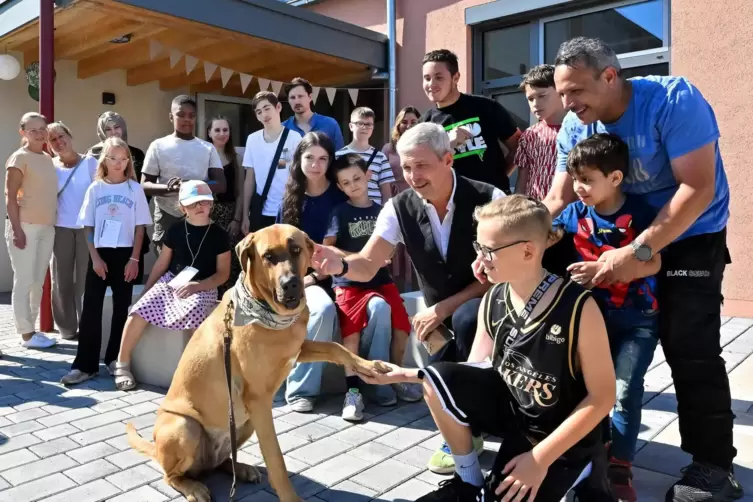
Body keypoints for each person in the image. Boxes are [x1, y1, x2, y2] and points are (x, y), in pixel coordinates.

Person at [544, 37, 741, 502]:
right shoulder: (575, 124)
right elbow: (558, 199)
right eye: (562, 93)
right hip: (617, 240)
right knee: (562, 325)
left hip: (691, 236)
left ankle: (714, 468)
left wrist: (640, 252)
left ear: (610, 76)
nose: (566, 105)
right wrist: (510, 243)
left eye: (575, 92)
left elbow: (697, 186)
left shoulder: (674, 100)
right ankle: (580, 445)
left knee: (689, 345)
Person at [357, 195, 617, 502]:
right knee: (438, 380)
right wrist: (404, 375)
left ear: (528, 251)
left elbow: (602, 399)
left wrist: (539, 459)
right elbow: (474, 370)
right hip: (521, 420)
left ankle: (588, 470)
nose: (478, 261)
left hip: (565, 434)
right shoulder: (494, 299)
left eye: (489, 250)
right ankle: (467, 481)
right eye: (478, 247)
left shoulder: (579, 307)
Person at [312, 122, 504, 473]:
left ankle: (471, 432)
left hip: (491, 307)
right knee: (437, 381)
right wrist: (337, 261)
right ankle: (467, 429)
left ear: (448, 159)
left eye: (422, 166)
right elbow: (368, 264)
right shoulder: (397, 208)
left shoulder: (490, 199)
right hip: (439, 319)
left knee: (466, 321)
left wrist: (443, 307)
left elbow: (502, 274)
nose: (413, 176)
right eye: (406, 167)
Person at [549, 134, 660, 501]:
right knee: (589, 391)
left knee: (626, 392)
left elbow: (655, 260)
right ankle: (589, 455)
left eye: (587, 180)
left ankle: (620, 466)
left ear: (615, 178)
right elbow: (542, 234)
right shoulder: (574, 213)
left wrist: (602, 266)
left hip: (637, 320)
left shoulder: (643, 213)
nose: (578, 188)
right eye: (574, 179)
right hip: (589, 320)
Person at [324, 154, 418, 420]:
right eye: (346, 182)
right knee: (350, 334)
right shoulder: (338, 212)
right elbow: (328, 245)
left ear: (368, 176)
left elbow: (394, 242)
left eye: (357, 178)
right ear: (340, 187)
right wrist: (355, 260)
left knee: (402, 326)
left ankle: (395, 377)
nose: (353, 185)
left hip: (380, 279)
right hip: (348, 282)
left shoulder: (382, 211)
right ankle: (352, 392)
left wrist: (383, 257)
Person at [112, 180, 231, 391]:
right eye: (194, 203)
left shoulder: (219, 235)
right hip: (172, 280)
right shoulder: (175, 230)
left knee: (195, 316)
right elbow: (161, 264)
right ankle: (122, 365)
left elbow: (223, 274)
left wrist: (199, 286)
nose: (200, 207)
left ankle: (198, 373)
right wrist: (146, 291)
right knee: (137, 312)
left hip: (203, 284)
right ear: (183, 207)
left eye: (205, 202)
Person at [60, 137, 151, 386]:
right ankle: (85, 365)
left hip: (126, 255)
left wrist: (134, 259)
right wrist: (95, 258)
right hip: (99, 254)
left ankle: (116, 361)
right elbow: (87, 226)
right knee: (91, 308)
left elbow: (140, 229)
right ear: (105, 160)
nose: (118, 163)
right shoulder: (95, 188)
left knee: (122, 308)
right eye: (113, 158)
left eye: (123, 159)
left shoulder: (135, 189)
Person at [276, 132, 346, 412]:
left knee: (323, 309)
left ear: (330, 162)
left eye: (322, 159)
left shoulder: (341, 198)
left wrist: (313, 278)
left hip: (333, 277)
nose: (316, 165)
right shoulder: (290, 200)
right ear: (299, 160)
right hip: (296, 280)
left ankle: (301, 390)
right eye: (309, 158)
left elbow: (345, 250)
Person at [420, 49, 521, 192]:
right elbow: (423, 166)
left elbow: (518, 146)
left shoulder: (486, 107)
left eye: (439, 77)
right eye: (427, 78)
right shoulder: (424, 125)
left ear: (455, 78)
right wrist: (448, 145)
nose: (431, 84)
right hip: (452, 205)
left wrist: (500, 176)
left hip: (493, 203)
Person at [142, 95, 225, 253]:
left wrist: (189, 186)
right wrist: (170, 188)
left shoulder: (207, 148)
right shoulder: (158, 146)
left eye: (191, 115)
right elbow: (145, 185)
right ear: (171, 116)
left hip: (199, 212)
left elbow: (220, 185)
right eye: (181, 114)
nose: (187, 119)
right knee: (166, 267)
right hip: (167, 215)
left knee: (198, 261)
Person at [4, 112, 58, 350]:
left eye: (42, 129)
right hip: (24, 227)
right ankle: (25, 333)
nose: (39, 134)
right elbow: (10, 197)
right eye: (33, 129)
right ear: (22, 132)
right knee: (24, 280)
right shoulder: (19, 158)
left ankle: (31, 331)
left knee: (38, 282)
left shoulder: (47, 157)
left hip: (47, 227)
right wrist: (17, 230)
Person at [47, 121, 98, 340]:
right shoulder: (50, 166)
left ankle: (87, 324)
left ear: (70, 135)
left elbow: (99, 194)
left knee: (86, 280)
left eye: (61, 136)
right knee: (61, 280)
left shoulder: (90, 163)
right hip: (60, 229)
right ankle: (67, 329)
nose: (59, 142)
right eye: (53, 140)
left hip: (87, 229)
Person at [88, 111, 150, 271]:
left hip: (131, 231)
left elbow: (143, 192)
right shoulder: (92, 155)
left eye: (117, 127)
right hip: (101, 234)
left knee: (128, 284)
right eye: (108, 129)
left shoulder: (136, 154)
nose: (113, 132)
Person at [241, 91, 302, 234]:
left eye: (267, 108)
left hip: (287, 208)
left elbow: (300, 175)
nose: (264, 115)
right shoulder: (252, 139)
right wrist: (245, 215)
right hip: (260, 209)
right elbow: (249, 179)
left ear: (278, 107)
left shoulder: (294, 138)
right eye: (259, 112)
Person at [514, 64, 567, 200]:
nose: (535, 104)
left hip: (570, 210)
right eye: (530, 99)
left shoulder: (580, 130)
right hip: (536, 211)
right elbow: (522, 181)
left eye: (542, 96)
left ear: (560, 91)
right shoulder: (530, 135)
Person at [382, 106, 420, 292]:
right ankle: (398, 292)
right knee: (396, 245)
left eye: (413, 122)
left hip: (417, 197)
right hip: (396, 198)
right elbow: (383, 180)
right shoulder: (389, 148)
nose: (409, 125)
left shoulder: (423, 146)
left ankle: (416, 288)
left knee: (415, 244)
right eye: (404, 122)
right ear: (398, 125)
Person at [206, 116, 243, 296]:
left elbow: (240, 192)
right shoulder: (202, 155)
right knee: (208, 261)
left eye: (225, 130)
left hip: (229, 215)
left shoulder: (235, 158)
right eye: (217, 130)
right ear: (209, 133)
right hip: (206, 214)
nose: (222, 134)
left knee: (230, 263)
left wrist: (237, 218)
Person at [336, 107, 394, 205]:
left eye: (368, 124)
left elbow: (386, 193)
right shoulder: (338, 156)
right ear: (351, 126)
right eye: (360, 123)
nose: (364, 127)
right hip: (347, 211)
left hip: (375, 214)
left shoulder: (380, 157)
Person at [282, 77, 345, 150]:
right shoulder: (282, 129)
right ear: (288, 100)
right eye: (292, 98)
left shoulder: (330, 124)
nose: (297, 101)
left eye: (300, 96)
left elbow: (339, 157)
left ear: (310, 97)